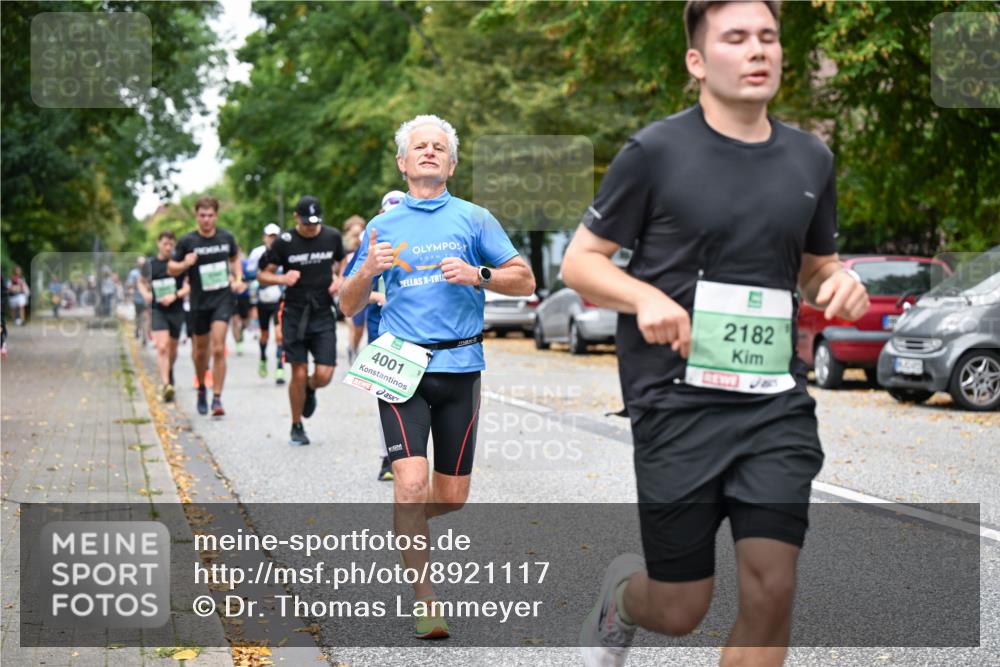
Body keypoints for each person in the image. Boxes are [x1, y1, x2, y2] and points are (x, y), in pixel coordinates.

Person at [561, 3, 870, 666]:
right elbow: (579, 260)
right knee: (681, 606)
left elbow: (815, 269)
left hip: (773, 403)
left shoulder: (810, 158)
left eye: (768, 37)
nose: (757, 50)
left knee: (772, 586)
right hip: (676, 400)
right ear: (697, 62)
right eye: (736, 38)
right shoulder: (655, 152)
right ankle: (623, 597)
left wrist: (838, 284)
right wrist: (643, 295)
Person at [340, 115, 535, 639]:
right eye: (419, 147)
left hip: (461, 366)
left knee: (450, 498)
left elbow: (525, 279)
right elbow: (347, 304)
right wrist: (365, 271)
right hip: (400, 366)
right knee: (410, 482)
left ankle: (407, 528)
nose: (429, 153)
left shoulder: (474, 218)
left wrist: (480, 274)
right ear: (403, 163)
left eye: (439, 148)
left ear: (451, 163)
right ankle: (425, 600)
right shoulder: (383, 228)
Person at [258, 196, 345, 445]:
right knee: (297, 370)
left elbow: (344, 260)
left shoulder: (332, 236)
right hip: (294, 312)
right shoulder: (284, 243)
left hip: (322, 311)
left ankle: (310, 387)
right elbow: (263, 275)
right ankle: (296, 426)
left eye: (315, 223)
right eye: (306, 223)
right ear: (296, 218)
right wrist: (281, 280)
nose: (311, 228)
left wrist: (339, 278)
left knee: (325, 374)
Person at [341, 190, 405, 482]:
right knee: (388, 393)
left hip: (419, 330)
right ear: (381, 214)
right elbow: (351, 288)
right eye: (389, 212)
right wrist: (379, 295)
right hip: (382, 328)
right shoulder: (372, 242)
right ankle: (389, 457)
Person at [168, 195, 244, 417]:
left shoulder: (226, 238)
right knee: (200, 352)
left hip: (222, 299)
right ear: (196, 216)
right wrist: (185, 263)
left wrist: (238, 278)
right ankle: (202, 387)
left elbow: (235, 257)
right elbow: (171, 268)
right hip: (199, 302)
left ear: (216, 216)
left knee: (219, 348)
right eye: (202, 215)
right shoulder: (187, 242)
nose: (206, 220)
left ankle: (217, 398)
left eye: (210, 215)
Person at [141, 231, 191, 402]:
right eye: (165, 244)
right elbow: (141, 281)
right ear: (158, 244)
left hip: (176, 310)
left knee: (173, 349)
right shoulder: (151, 264)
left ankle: (168, 371)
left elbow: (188, 286)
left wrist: (175, 295)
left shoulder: (178, 264)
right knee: (162, 347)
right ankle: (165, 384)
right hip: (158, 310)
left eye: (171, 244)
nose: (168, 247)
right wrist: (145, 293)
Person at [247, 224, 286, 383]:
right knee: (264, 335)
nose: (272, 239)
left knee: (279, 335)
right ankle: (263, 357)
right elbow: (249, 272)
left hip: (278, 298)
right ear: (264, 237)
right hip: (263, 298)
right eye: (270, 236)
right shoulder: (257, 253)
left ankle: (279, 368)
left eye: (275, 236)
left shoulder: (284, 250)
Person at [340, 214, 369, 365]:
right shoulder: (344, 246)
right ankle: (351, 348)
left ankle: (354, 347)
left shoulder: (367, 242)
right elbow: (341, 267)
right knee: (353, 324)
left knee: (360, 327)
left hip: (365, 288)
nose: (358, 235)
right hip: (348, 284)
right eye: (355, 232)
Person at [231, 250, 254, 356]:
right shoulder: (228, 266)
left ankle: (242, 331)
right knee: (235, 320)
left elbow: (253, 277)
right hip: (231, 297)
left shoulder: (246, 265)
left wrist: (245, 285)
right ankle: (238, 343)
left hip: (244, 296)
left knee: (245, 321)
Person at [126, 257, 150, 345]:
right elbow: (128, 285)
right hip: (137, 298)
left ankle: (144, 337)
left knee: (145, 317)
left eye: (143, 263)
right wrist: (137, 284)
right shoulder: (134, 273)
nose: (142, 265)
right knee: (138, 316)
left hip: (147, 299)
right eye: (140, 263)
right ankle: (137, 328)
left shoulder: (149, 272)